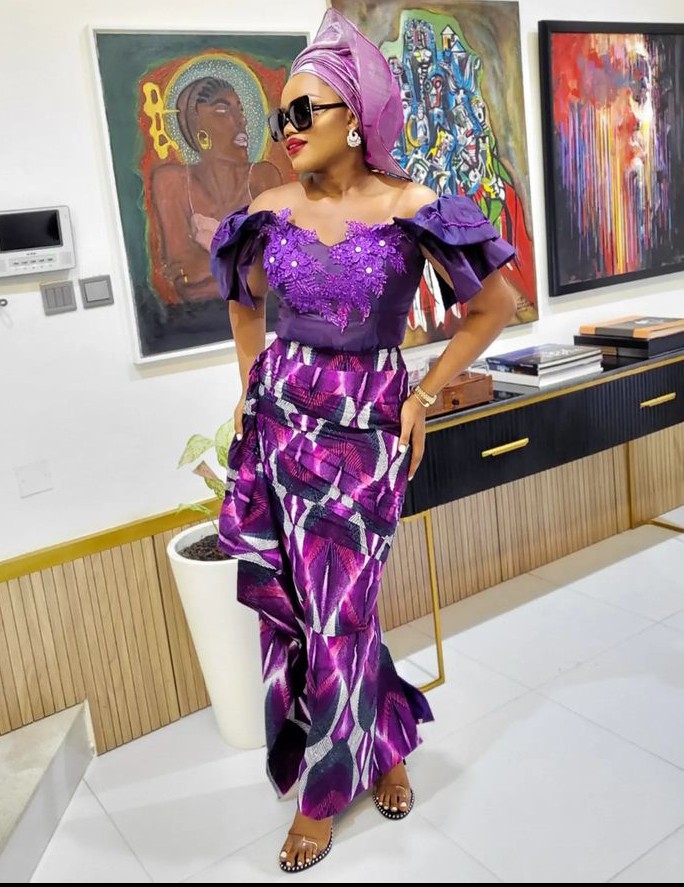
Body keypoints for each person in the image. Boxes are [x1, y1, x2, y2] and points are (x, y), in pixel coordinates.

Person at [210, 8, 516, 875]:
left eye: (304, 110)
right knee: (317, 606)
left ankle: (322, 793)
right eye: (281, 114)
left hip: (368, 429)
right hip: (284, 426)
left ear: (356, 115)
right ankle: (382, 744)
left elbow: (494, 306)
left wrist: (424, 391)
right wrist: (250, 387)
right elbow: (243, 303)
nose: (288, 128)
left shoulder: (414, 209)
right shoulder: (268, 211)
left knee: (344, 601)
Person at [151, 75, 282, 304]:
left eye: (240, 110)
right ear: (196, 124)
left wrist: (216, 259)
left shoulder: (263, 177)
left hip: (268, 316)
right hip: (199, 320)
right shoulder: (171, 182)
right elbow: (186, 281)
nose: (241, 120)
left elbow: (281, 266)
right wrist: (252, 262)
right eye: (222, 110)